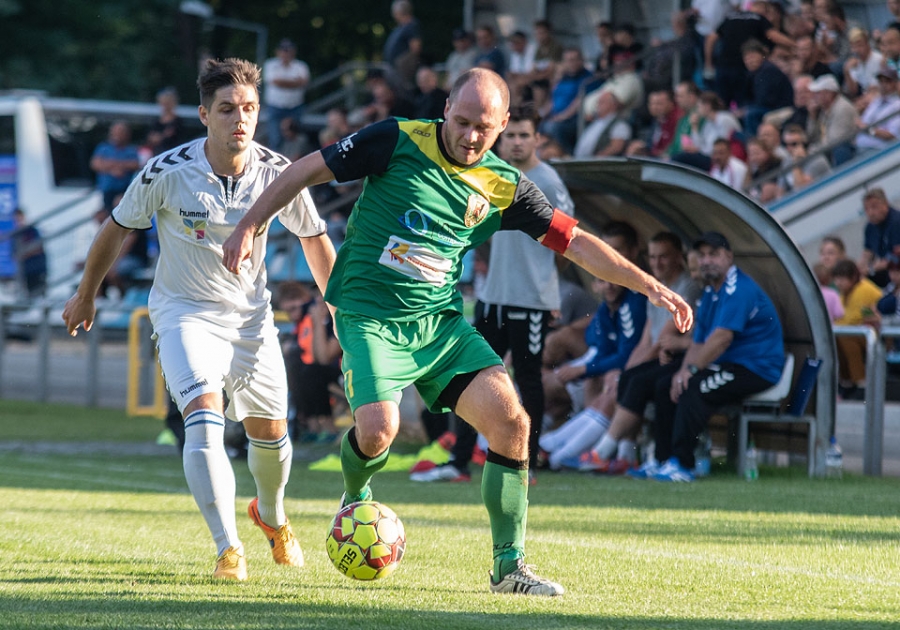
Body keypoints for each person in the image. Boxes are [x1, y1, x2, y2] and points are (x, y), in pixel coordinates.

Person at [221, 68, 693, 596]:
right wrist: (249, 224)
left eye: (483, 128)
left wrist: (648, 284)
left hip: (440, 327)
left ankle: (508, 569)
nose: (470, 136)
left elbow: (577, 243)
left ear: (504, 125)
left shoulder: (504, 185)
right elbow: (303, 171)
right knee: (378, 430)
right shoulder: (395, 139)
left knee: (513, 424)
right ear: (446, 107)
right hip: (369, 314)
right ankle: (355, 495)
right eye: (462, 121)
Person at [62, 58, 337, 581]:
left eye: (250, 109)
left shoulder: (280, 173)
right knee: (204, 419)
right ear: (203, 114)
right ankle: (227, 547)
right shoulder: (167, 172)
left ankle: (272, 515)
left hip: (252, 323)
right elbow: (117, 228)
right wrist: (86, 295)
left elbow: (314, 239)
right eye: (228, 109)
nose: (241, 119)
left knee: (273, 436)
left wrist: (339, 308)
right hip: (184, 313)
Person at [411, 104, 575, 485]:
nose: (516, 142)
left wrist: (544, 286)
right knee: (471, 375)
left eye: (524, 135)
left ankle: (526, 464)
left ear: (538, 139)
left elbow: (567, 244)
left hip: (530, 301)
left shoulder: (548, 182)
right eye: (511, 135)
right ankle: (459, 460)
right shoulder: (492, 175)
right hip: (494, 296)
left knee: (528, 379)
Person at [645, 231, 785, 482]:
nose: (707, 260)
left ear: (729, 257)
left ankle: (684, 464)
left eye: (714, 254)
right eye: (703, 255)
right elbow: (699, 341)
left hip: (756, 368)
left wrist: (692, 371)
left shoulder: (738, 289)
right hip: (729, 365)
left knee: (694, 387)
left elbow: (722, 339)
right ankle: (662, 459)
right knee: (667, 383)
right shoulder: (711, 292)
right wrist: (682, 371)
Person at [577, 232, 703, 474]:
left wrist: (627, 374)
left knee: (641, 382)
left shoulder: (687, 287)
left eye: (663, 256)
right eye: (653, 257)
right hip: (665, 355)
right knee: (629, 378)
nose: (657, 263)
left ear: (679, 257)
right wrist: (624, 372)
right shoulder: (655, 288)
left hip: (680, 357)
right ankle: (626, 456)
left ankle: (604, 451)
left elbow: (662, 341)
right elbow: (646, 339)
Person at [537, 277, 647, 471]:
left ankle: (563, 455)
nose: (609, 285)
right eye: (601, 281)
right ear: (595, 285)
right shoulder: (606, 310)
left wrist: (585, 369)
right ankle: (549, 447)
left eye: (611, 279)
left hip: (640, 371)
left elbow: (626, 354)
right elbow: (602, 348)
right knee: (593, 383)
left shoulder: (633, 303)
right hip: (617, 370)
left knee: (612, 389)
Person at [832, 258, 883, 398]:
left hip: (878, 334)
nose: (838, 283)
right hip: (863, 330)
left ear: (853, 277)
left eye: (842, 279)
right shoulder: (846, 291)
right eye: (837, 279)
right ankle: (846, 381)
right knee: (838, 338)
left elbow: (853, 318)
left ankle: (860, 382)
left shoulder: (864, 289)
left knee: (846, 337)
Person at [262, 39, 311, 152]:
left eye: (289, 50)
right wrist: (295, 83)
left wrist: (283, 82)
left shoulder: (301, 66)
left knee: (296, 138)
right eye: (284, 50)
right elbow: (274, 82)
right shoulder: (270, 64)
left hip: (295, 107)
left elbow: (304, 82)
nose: (286, 53)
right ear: (278, 52)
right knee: (275, 138)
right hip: (275, 107)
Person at [90, 121, 140, 212]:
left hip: (125, 191)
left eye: (121, 132)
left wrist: (110, 164)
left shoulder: (131, 149)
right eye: (116, 132)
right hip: (106, 190)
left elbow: (135, 164)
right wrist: (116, 168)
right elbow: (95, 164)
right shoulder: (103, 148)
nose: (118, 135)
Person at [858, 187, 900, 287]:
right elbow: (868, 252)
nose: (871, 213)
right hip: (883, 271)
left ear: (885, 204)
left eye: (874, 207)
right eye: (866, 209)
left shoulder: (896, 222)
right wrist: (859, 269)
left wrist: (870, 269)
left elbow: (895, 257)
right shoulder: (870, 227)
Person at [11, 208, 47, 298]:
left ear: (23, 217)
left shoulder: (32, 231)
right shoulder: (16, 235)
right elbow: (14, 254)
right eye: (16, 219)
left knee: (40, 294)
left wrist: (24, 254)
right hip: (26, 271)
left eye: (19, 218)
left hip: (38, 268)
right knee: (30, 296)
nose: (18, 221)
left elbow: (38, 248)